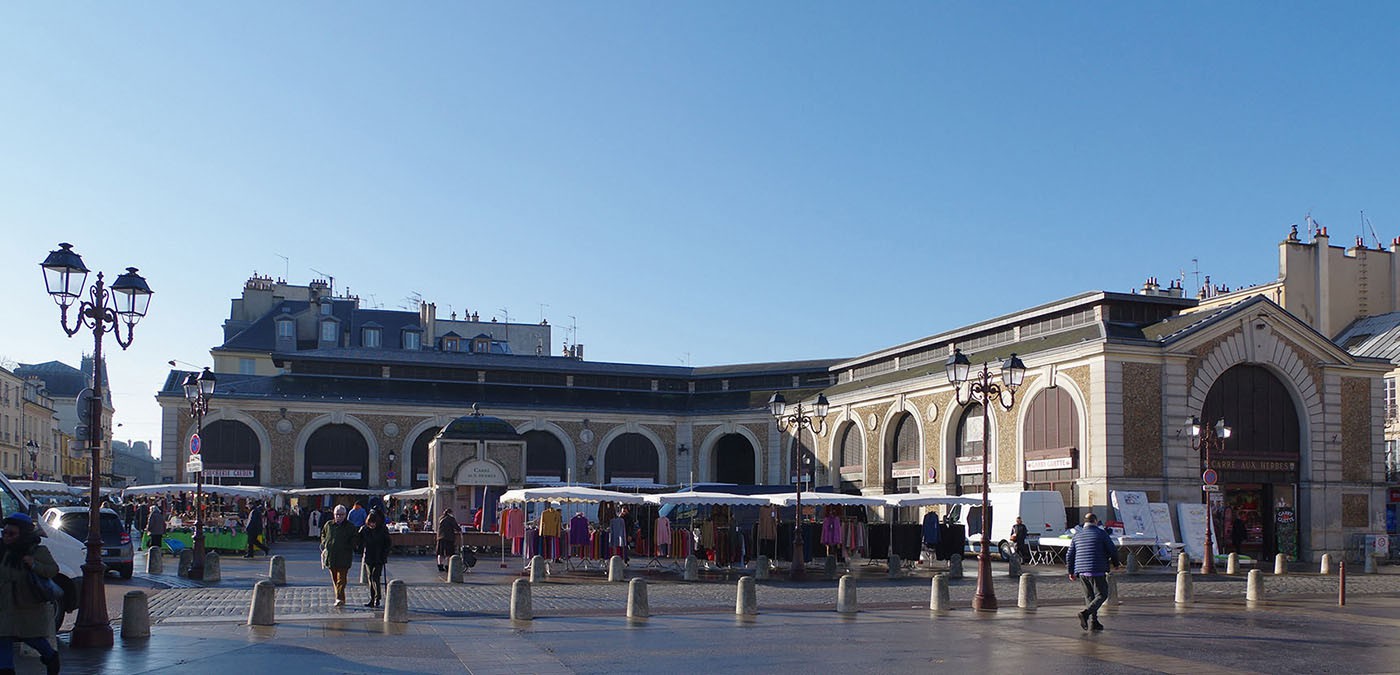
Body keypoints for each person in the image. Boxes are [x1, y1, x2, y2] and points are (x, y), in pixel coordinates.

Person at [0, 512, 62, 674]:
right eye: (4, 532)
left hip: (28, 606)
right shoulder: (3, 551)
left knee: (33, 639)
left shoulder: (37, 551)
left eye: (11, 533)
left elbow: (53, 570)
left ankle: (51, 657)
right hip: (5, 605)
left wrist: (34, 564)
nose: (6, 536)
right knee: (3, 639)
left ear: (23, 534)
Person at [1067, 512, 1120, 631]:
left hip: (1081, 571)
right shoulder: (1101, 534)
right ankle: (1085, 614)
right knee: (1102, 594)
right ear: (1095, 521)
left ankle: (1094, 622)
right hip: (1097, 569)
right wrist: (1116, 563)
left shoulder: (1077, 536)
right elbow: (1112, 550)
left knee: (1090, 597)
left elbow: (1070, 555)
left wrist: (1071, 571)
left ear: (1084, 522)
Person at [320, 504, 356, 607]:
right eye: (337, 514)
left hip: (344, 557)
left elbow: (355, 538)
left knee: (342, 579)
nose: (339, 517)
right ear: (334, 514)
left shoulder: (350, 526)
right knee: (335, 579)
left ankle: (339, 598)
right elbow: (323, 534)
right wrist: (324, 542)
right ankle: (341, 598)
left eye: (341, 515)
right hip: (331, 557)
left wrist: (350, 545)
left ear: (345, 515)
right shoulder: (329, 524)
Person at [357, 510, 392, 608]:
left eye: (373, 523)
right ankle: (373, 598)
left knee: (375, 577)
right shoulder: (365, 529)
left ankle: (378, 597)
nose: (372, 525)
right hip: (368, 556)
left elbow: (387, 544)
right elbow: (359, 541)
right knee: (370, 578)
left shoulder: (382, 529)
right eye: (370, 523)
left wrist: (385, 555)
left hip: (379, 557)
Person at [435, 508, 459, 572]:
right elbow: (456, 527)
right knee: (449, 553)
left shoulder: (440, 518)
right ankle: (447, 566)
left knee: (440, 553)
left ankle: (440, 565)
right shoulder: (451, 519)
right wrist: (459, 529)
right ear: (450, 513)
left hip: (440, 537)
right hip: (449, 538)